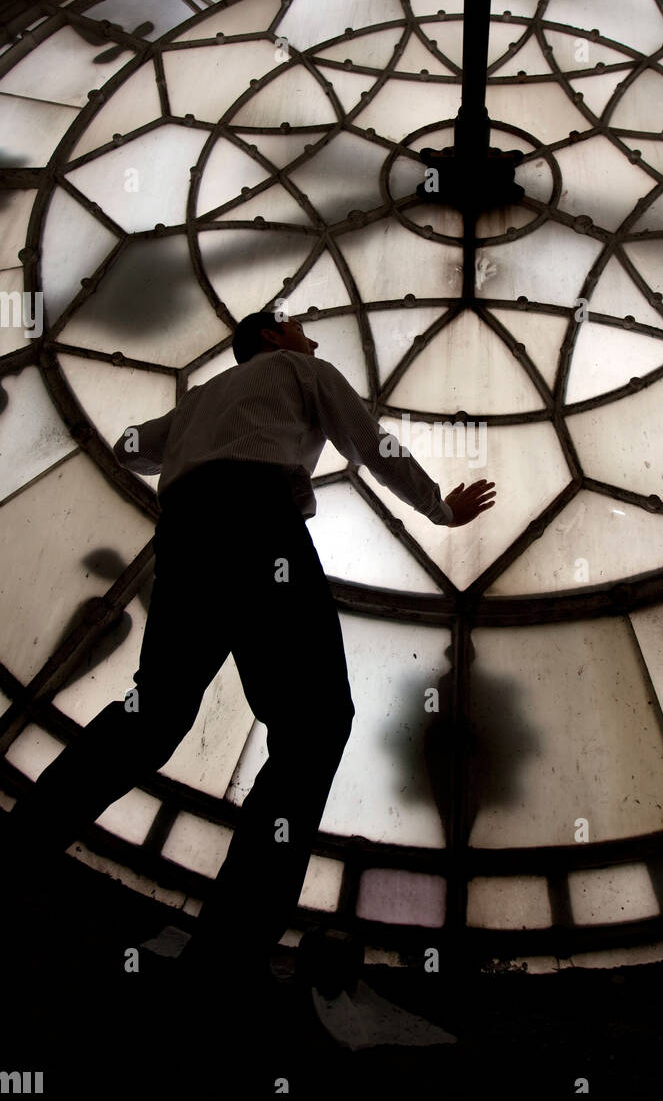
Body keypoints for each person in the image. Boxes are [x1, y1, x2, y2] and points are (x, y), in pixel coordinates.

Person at [0, 308, 495, 984]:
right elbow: (367, 444)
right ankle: (228, 952)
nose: (312, 339)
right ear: (271, 338)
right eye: (298, 330)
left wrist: (167, 450)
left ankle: (20, 850)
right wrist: (439, 508)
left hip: (185, 535)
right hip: (261, 525)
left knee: (155, 714)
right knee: (314, 726)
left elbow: (132, 447)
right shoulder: (302, 371)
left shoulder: (201, 396)